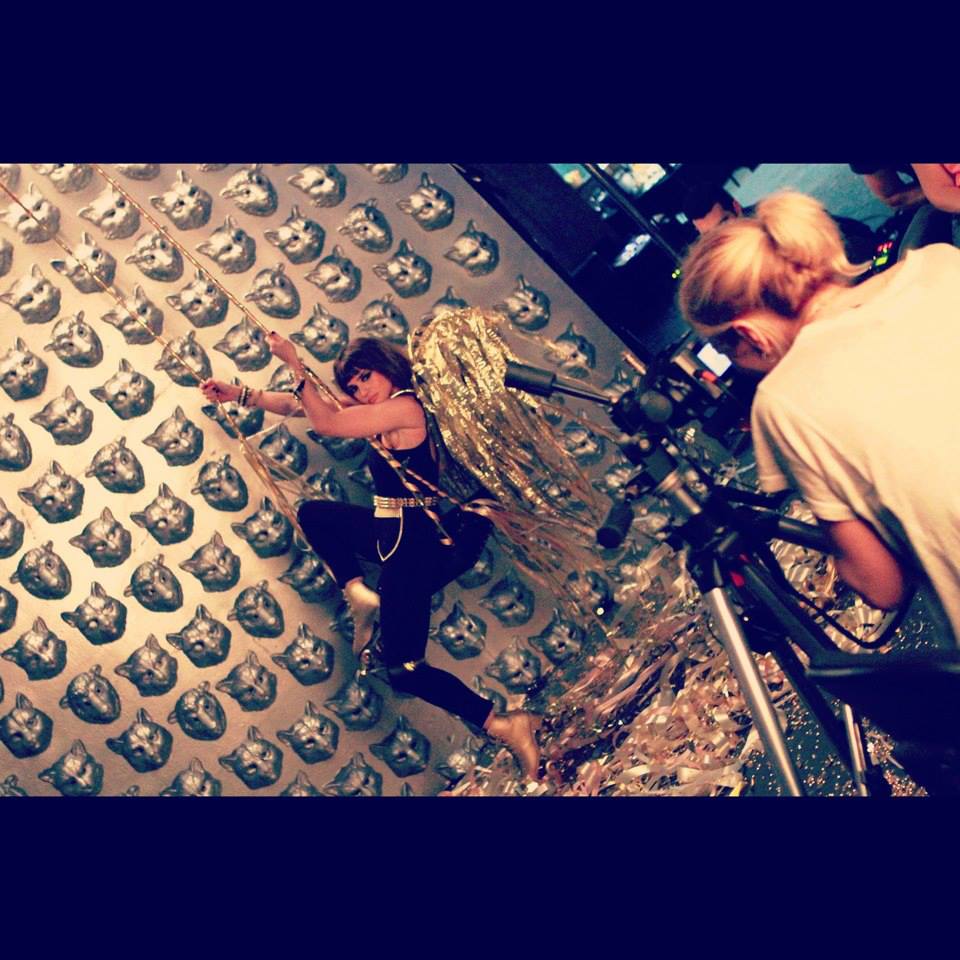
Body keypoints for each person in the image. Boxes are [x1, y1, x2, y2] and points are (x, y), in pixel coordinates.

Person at [200, 333, 542, 779]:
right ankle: (357, 591)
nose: (361, 390)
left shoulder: (405, 408)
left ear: (386, 366)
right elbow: (301, 406)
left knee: (404, 669)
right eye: (354, 385)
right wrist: (240, 394)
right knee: (315, 515)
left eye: (366, 377)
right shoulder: (380, 409)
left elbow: (327, 423)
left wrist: (294, 362)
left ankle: (503, 724)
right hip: (388, 531)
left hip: (411, 548)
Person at [677, 190, 960, 645]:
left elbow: (882, 586)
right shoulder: (941, 264)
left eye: (726, 350)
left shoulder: (782, 401)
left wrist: (843, 564)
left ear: (749, 334)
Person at [681, 181, 878, 265]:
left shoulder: (780, 219)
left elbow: (846, 245)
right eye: (709, 236)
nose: (721, 238)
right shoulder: (718, 261)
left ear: (736, 207)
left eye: (724, 224)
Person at [850, 163, 954, 259]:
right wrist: (940, 190)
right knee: (910, 259)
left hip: (940, 191)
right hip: (934, 196)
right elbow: (894, 198)